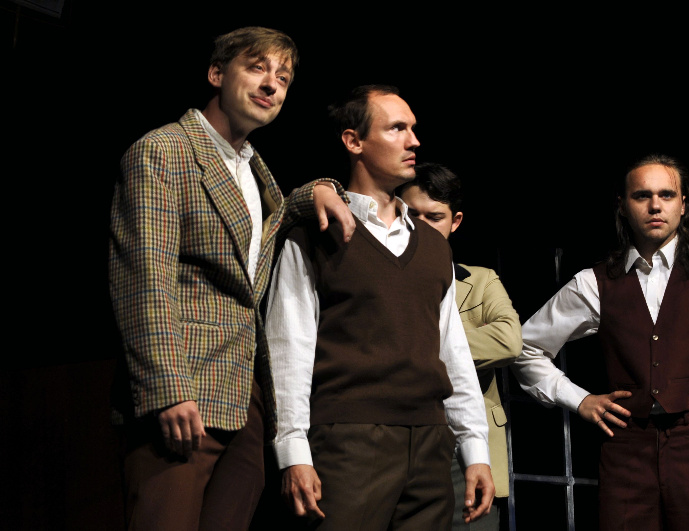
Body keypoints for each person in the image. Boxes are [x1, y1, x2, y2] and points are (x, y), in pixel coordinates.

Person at [108, 26, 356, 531]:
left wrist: (319, 189)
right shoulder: (164, 150)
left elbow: (269, 224)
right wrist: (168, 387)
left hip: (244, 397)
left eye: (282, 77)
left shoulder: (253, 169)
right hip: (184, 392)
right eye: (256, 67)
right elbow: (145, 281)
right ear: (217, 74)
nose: (271, 84)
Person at [511, 153, 689, 531]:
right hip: (626, 449)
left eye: (666, 194)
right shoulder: (595, 282)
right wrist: (579, 399)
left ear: (684, 205)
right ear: (623, 206)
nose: (655, 205)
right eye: (642, 195)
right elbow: (524, 348)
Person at [266, 84, 495, 530]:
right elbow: (288, 348)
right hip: (349, 439)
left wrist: (475, 449)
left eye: (414, 129)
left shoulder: (434, 246)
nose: (414, 141)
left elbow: (452, 353)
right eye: (397, 129)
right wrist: (293, 451)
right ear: (354, 142)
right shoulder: (315, 235)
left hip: (430, 445)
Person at [397, 162, 522, 530]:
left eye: (434, 217)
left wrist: (417, 338)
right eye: (412, 214)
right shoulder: (379, 278)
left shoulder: (479, 281)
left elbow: (508, 340)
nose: (421, 226)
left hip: (463, 445)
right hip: (396, 436)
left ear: (456, 221)